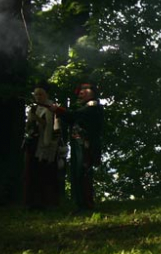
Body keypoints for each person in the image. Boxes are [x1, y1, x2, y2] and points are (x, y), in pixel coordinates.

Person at [50, 81, 104, 212]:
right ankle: (80, 204)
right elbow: (71, 118)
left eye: (85, 90)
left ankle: (87, 204)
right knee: (77, 173)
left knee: (83, 174)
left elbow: (75, 115)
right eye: (80, 90)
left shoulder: (93, 106)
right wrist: (59, 112)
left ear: (93, 93)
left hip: (85, 145)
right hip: (78, 145)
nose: (81, 92)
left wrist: (59, 110)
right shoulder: (84, 107)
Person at [24, 81, 62, 209]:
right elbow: (29, 125)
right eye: (36, 94)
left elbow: (52, 127)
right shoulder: (34, 108)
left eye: (40, 94)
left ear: (46, 95)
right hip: (34, 143)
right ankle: (34, 202)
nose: (38, 97)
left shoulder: (51, 108)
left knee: (47, 173)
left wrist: (36, 118)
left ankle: (49, 203)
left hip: (47, 145)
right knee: (33, 173)